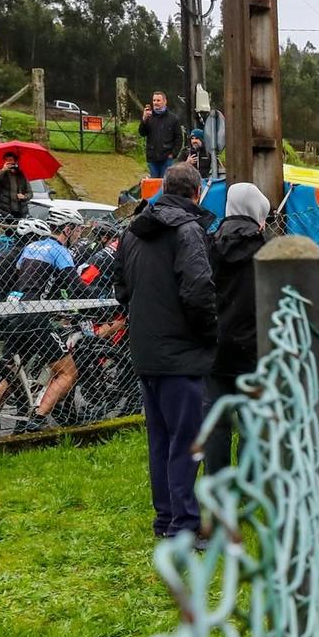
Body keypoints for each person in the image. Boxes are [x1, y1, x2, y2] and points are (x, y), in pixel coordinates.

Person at [116, 163, 217, 542]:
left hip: (146, 349)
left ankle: (166, 519)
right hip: (182, 350)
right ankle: (185, 525)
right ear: (196, 193)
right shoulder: (189, 230)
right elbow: (197, 288)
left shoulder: (134, 232)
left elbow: (120, 287)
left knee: (160, 439)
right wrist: (209, 333)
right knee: (187, 440)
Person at [0, 208, 83, 432]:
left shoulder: (31, 246)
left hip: (14, 311)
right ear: (67, 229)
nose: (79, 234)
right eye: (77, 229)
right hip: (34, 317)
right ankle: (37, 420)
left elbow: (26, 276)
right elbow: (75, 288)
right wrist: (102, 300)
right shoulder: (60, 251)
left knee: (13, 371)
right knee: (67, 372)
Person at [203, 181, 270, 474]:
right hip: (253, 348)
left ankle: (216, 477)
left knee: (217, 419)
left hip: (214, 345)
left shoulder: (208, 245)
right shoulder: (266, 252)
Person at [138, 91, 185, 179]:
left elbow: (179, 138)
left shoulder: (173, 119)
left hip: (167, 158)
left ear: (164, 101)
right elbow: (142, 133)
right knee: (154, 184)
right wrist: (144, 120)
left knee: (165, 183)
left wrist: (173, 154)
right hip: (152, 158)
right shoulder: (149, 118)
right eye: (154, 100)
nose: (156, 103)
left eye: (158, 100)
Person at [0, 150, 28, 223]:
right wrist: (3, 170)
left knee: (19, 232)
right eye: (6, 160)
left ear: (15, 161)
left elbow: (30, 193)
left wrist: (24, 196)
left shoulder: (21, 175)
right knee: (8, 232)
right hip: (5, 211)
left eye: (10, 160)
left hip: (20, 211)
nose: (8, 162)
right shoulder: (2, 173)